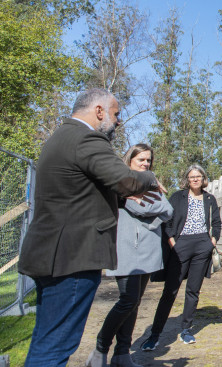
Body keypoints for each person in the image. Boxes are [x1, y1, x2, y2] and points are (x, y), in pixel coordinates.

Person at [18, 88, 159, 367]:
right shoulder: (87, 138)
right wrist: (150, 178)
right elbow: (126, 180)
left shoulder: (62, 137)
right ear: (98, 111)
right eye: (116, 114)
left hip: (53, 254)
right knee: (55, 347)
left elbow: (79, 194)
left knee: (47, 341)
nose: (118, 121)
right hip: (72, 259)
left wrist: (118, 198)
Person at [86, 144, 174, 367]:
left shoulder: (148, 184)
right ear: (129, 161)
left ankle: (122, 354)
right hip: (127, 248)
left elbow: (168, 210)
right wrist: (155, 210)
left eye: (148, 161)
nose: (145, 164)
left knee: (135, 303)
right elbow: (141, 208)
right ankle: (100, 349)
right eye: (141, 160)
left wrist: (154, 210)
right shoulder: (122, 183)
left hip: (147, 250)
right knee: (127, 300)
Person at [140, 164, 221, 350]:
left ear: (203, 179)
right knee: (170, 291)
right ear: (187, 179)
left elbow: (216, 222)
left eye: (198, 176)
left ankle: (186, 329)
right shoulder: (177, 197)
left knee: (193, 291)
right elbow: (166, 221)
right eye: (192, 176)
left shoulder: (210, 199)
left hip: (202, 245)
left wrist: (212, 242)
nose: (195, 179)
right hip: (181, 244)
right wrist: (173, 243)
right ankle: (155, 334)